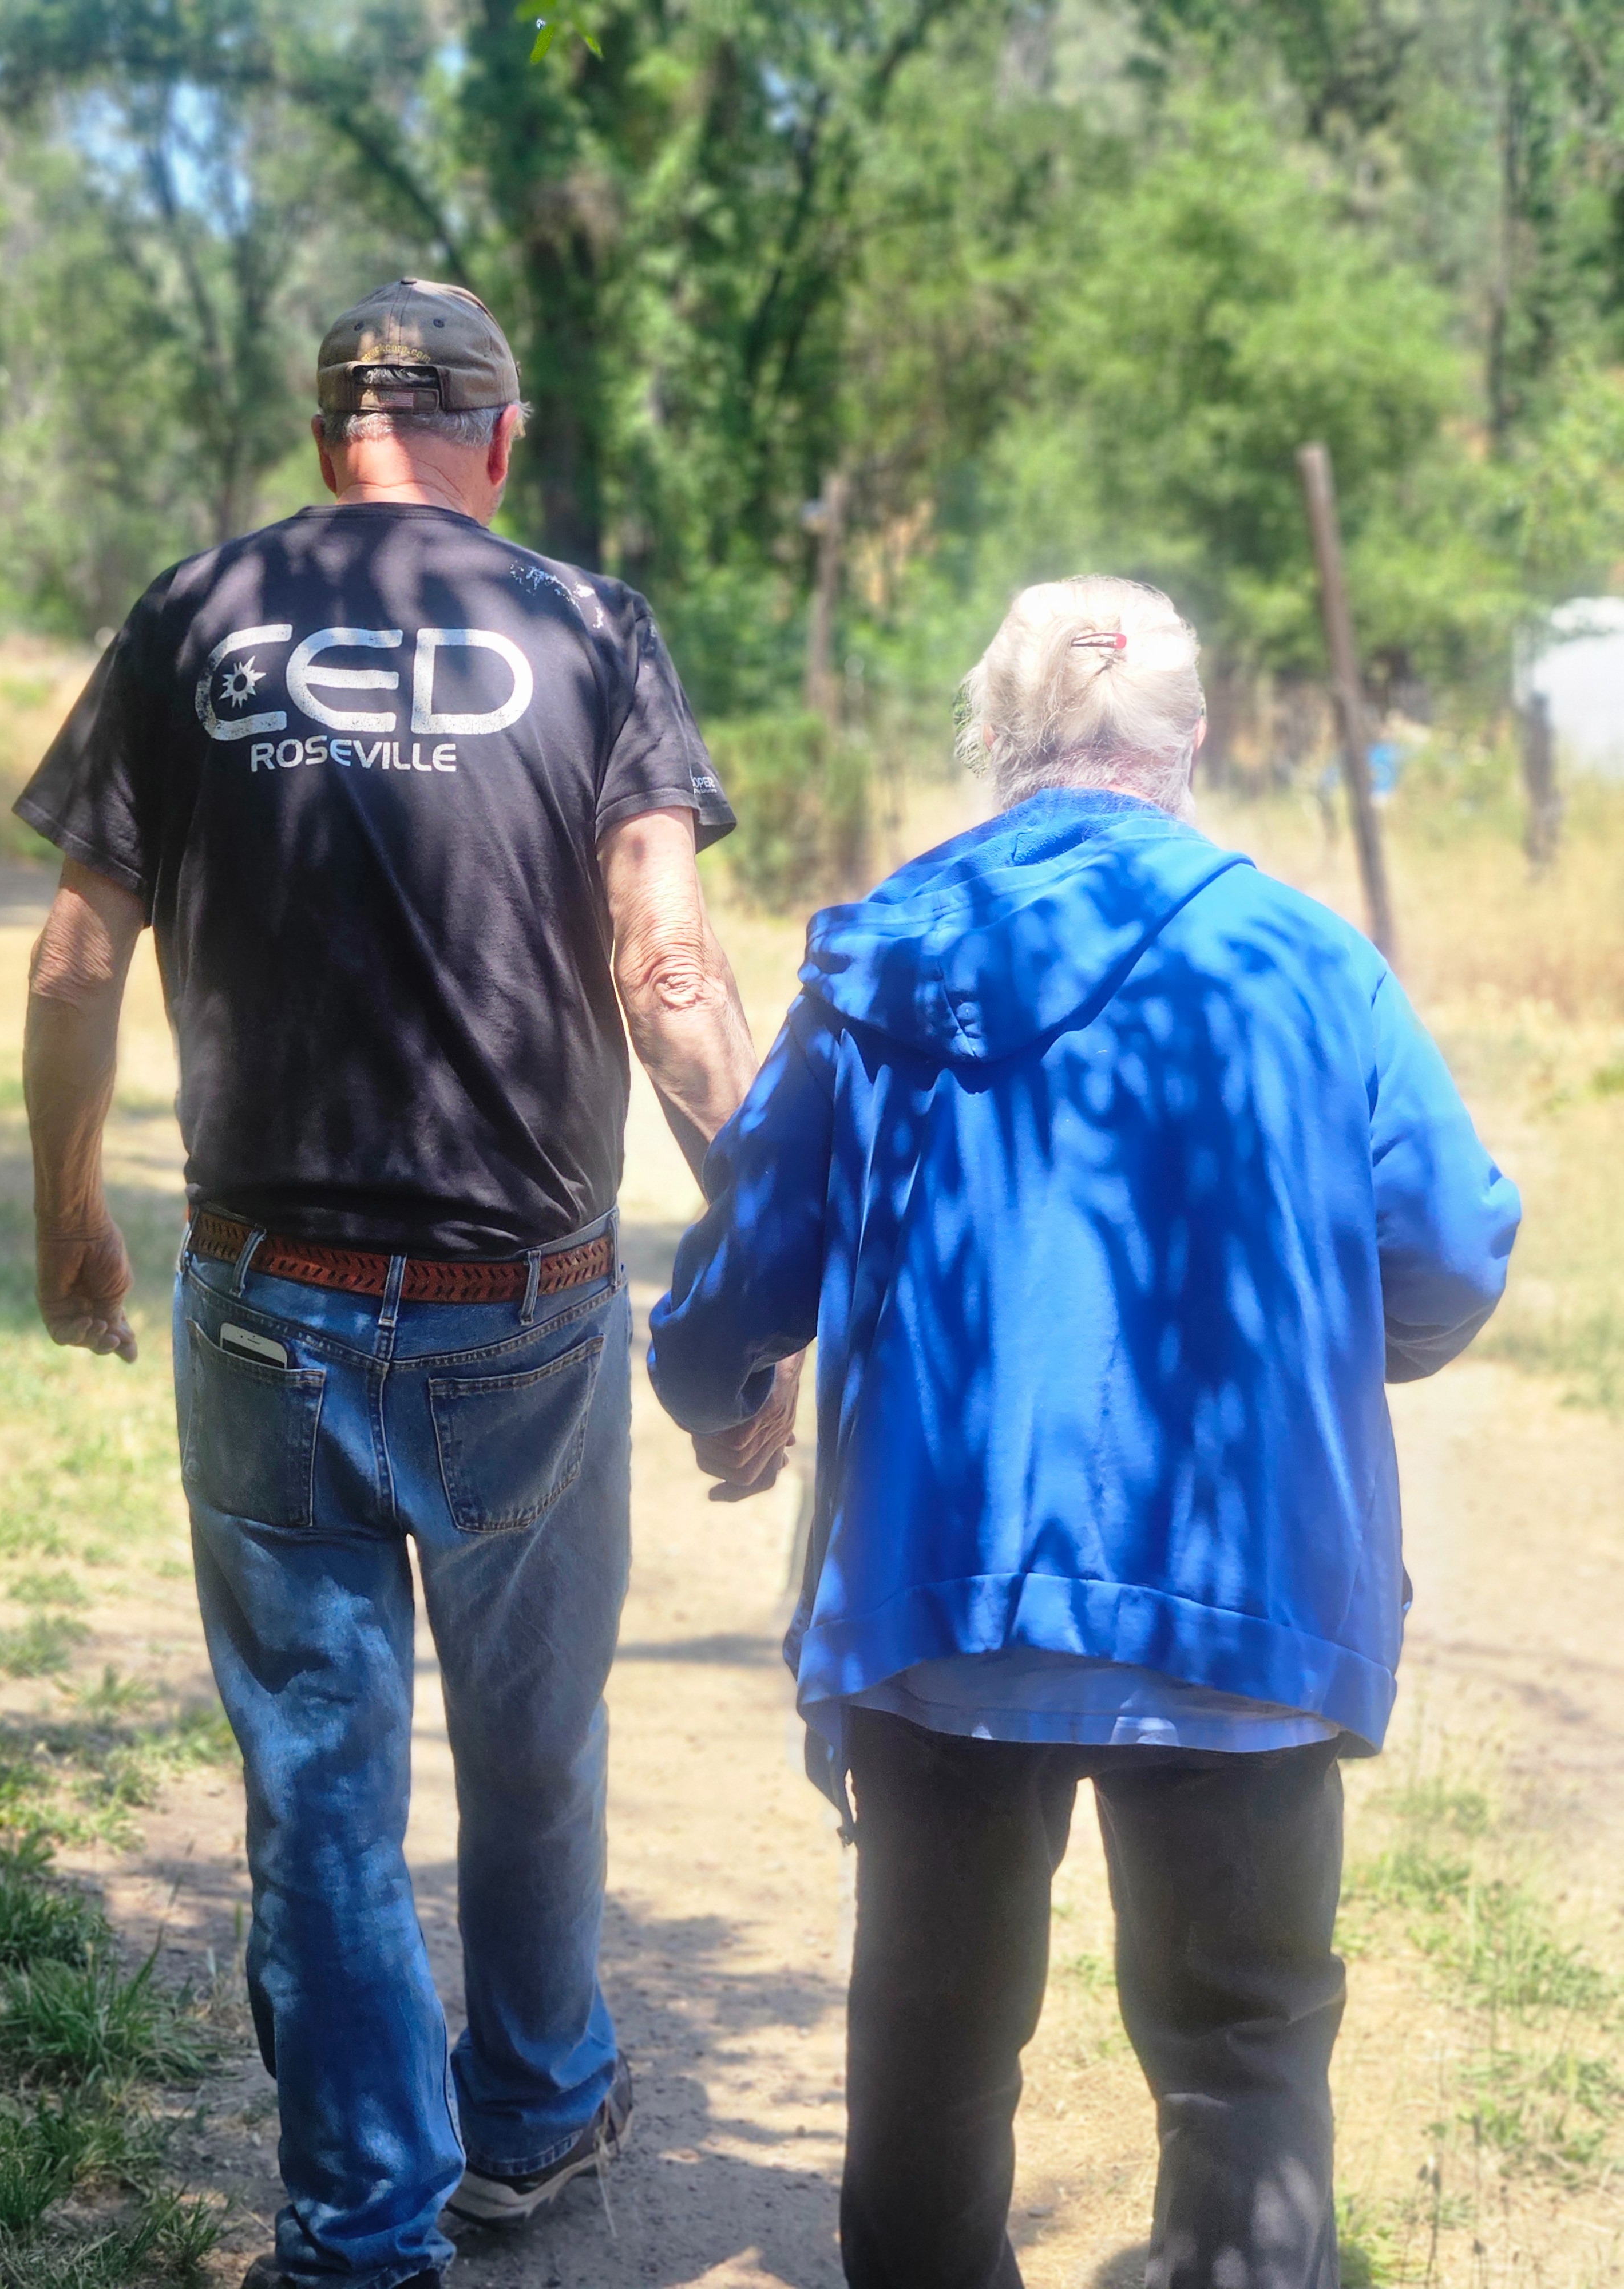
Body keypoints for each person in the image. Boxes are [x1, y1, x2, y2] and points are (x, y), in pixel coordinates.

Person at [17, 277, 796, 2289]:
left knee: (319, 1786)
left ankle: (362, 2235)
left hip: (265, 1299)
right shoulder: (592, 629)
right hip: (522, 1305)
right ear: (500, 444)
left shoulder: (196, 616)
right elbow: (672, 973)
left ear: (324, 440)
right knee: (535, 1737)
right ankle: (530, 2113)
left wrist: (69, 1218)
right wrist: (770, 1254)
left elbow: (79, 959)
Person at [648, 577, 1521, 2289]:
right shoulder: (1310, 959)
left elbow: (750, 1260)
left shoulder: (888, 953)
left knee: (931, 2037)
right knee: (1245, 2044)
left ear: (994, 742)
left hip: (948, 1603)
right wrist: (1342, 1359)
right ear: (1188, 743)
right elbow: (1449, 1251)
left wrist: (716, 1388)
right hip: (1245, 1589)